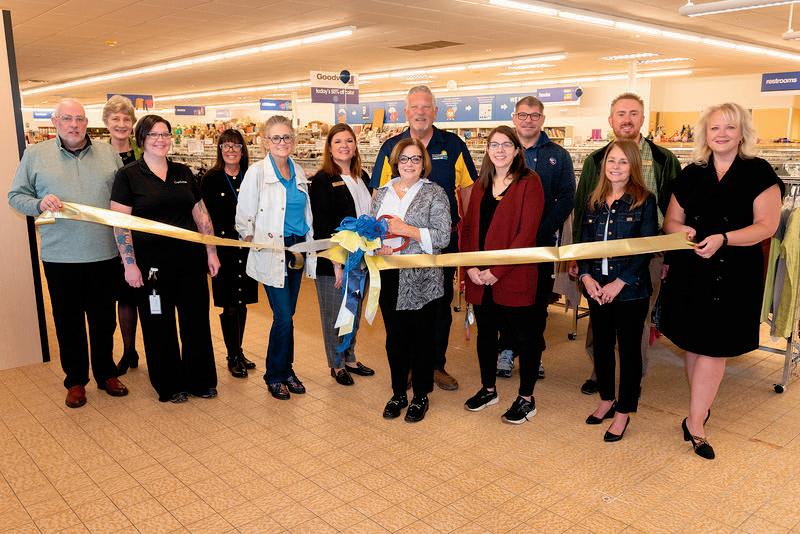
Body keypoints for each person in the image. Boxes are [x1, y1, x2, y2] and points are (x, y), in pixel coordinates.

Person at [661, 103, 783, 459]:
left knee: (715, 349)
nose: (721, 134)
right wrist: (681, 230)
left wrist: (724, 238)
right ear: (705, 134)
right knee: (693, 343)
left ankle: (696, 422)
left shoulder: (759, 172)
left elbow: (767, 226)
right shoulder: (692, 173)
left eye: (729, 127)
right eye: (715, 128)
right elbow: (670, 221)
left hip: (734, 274)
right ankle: (698, 409)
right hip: (692, 270)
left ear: (742, 133)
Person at [8, 98, 129, 408]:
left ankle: (106, 373)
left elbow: (124, 198)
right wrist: (39, 203)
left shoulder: (108, 154)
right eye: (67, 119)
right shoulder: (35, 155)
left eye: (79, 119)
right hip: (60, 257)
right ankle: (75, 381)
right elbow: (15, 196)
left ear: (87, 123)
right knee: (68, 322)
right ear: (55, 122)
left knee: (104, 321)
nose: (74, 125)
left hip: (104, 254)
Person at [572, 92, 681, 395]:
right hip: (599, 252)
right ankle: (600, 372)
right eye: (621, 113)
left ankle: (634, 378)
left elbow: (676, 209)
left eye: (634, 113)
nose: (627, 119)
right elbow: (583, 209)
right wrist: (578, 257)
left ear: (643, 118)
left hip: (648, 252)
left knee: (637, 319)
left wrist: (670, 257)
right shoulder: (596, 160)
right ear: (611, 120)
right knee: (599, 315)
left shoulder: (664, 159)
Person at [371, 85, 477, 391]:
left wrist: (469, 236)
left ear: (435, 111)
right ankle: (407, 366)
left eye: (426, 107)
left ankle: (434, 365)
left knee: (438, 306)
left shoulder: (453, 145)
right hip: (396, 251)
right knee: (399, 309)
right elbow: (378, 195)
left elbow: (469, 193)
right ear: (406, 112)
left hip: (439, 245)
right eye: (415, 107)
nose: (420, 112)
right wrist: (373, 240)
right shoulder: (390, 146)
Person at [110, 115, 220, 403]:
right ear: (141, 139)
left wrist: (211, 251)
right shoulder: (128, 176)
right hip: (152, 267)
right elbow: (120, 224)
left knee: (196, 321)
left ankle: (201, 380)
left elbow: (201, 215)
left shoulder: (183, 171)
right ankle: (169, 384)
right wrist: (130, 264)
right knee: (159, 324)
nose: (161, 139)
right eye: (153, 134)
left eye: (165, 134)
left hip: (190, 262)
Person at [461, 126, 545, 424]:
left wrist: (496, 272)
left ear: (517, 150)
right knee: (486, 336)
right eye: (494, 145)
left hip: (514, 275)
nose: (500, 150)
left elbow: (527, 234)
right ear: (487, 150)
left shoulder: (529, 182)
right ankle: (488, 389)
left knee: (525, 337)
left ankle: (526, 398)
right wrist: (470, 267)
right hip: (479, 278)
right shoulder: (481, 184)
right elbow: (468, 228)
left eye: (506, 145)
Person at [578, 140, 658, 442]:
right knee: (601, 345)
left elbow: (645, 248)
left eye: (623, 161)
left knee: (628, 350)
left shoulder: (644, 201)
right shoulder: (594, 199)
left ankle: (624, 410)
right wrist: (586, 276)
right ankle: (606, 399)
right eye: (612, 160)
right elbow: (584, 242)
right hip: (597, 287)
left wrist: (619, 282)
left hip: (630, 290)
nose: (616, 167)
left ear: (633, 165)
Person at [235, 115, 317, 401]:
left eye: (286, 137)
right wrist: (251, 239)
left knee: (288, 315)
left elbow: (305, 213)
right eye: (276, 138)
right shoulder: (256, 173)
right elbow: (243, 217)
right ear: (265, 142)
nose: (282, 142)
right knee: (282, 316)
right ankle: (274, 375)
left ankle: (287, 370)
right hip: (273, 250)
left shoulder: (298, 170)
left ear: (293, 140)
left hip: (297, 249)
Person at [496, 96, 576, 380]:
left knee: (538, 301)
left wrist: (539, 230)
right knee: (506, 298)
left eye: (534, 115)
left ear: (542, 119)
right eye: (522, 115)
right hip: (507, 243)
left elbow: (567, 197)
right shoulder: (503, 151)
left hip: (542, 243)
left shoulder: (559, 155)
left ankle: (533, 352)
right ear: (514, 118)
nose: (528, 120)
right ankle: (506, 349)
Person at [374, 138, 451, 423]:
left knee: (421, 339)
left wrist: (406, 229)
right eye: (404, 159)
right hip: (389, 275)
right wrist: (375, 246)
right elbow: (370, 229)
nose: (409, 164)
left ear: (423, 163)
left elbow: (443, 236)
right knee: (395, 339)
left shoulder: (435, 193)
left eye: (415, 159)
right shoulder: (382, 192)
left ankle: (420, 395)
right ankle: (398, 393)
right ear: (396, 162)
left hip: (422, 280)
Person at [309, 123, 375, 386]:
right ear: (329, 147)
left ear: (355, 146)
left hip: (362, 259)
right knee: (335, 314)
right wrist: (336, 261)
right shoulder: (323, 180)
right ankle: (336, 364)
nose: (344, 146)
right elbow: (322, 224)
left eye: (349, 141)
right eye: (338, 141)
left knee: (354, 312)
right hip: (335, 262)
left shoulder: (363, 177)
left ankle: (350, 357)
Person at [200, 130, 259, 378]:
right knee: (230, 305)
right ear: (220, 150)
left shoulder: (251, 176)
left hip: (247, 249)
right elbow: (204, 218)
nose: (231, 150)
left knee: (243, 303)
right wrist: (209, 251)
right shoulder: (210, 179)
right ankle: (232, 355)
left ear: (243, 150)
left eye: (236, 146)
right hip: (223, 250)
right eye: (226, 145)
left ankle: (239, 350)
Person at [102, 94, 142, 374]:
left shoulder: (144, 151)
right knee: (124, 297)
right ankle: (129, 351)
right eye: (115, 118)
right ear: (106, 122)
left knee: (148, 297)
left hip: (144, 234)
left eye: (126, 119)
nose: (121, 124)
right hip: (113, 236)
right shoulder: (98, 155)